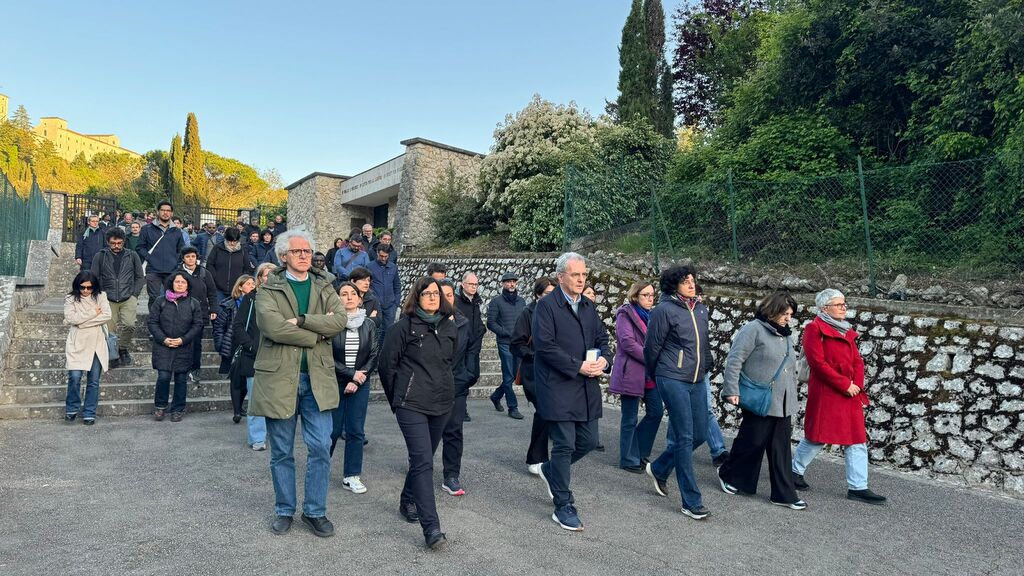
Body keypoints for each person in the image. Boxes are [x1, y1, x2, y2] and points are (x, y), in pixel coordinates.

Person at [249, 228, 346, 538]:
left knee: (320, 447)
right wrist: (318, 333)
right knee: (281, 451)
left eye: (307, 251)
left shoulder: (325, 284)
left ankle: (315, 512)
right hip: (279, 379)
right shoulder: (269, 288)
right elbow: (273, 327)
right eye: (297, 252)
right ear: (283, 256)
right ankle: (284, 509)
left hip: (317, 378)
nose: (305, 256)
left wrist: (303, 321)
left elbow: (341, 319)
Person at [533, 253, 610, 532]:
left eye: (584, 275)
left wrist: (605, 360)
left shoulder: (588, 306)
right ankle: (563, 504)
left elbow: (602, 338)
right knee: (564, 444)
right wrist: (577, 366)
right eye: (575, 275)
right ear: (560, 277)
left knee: (589, 441)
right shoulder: (547, 307)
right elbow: (545, 346)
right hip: (558, 385)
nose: (581, 280)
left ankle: (551, 470)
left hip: (586, 386)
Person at [379, 277, 457, 550]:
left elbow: (450, 363)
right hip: (411, 404)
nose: (433, 297)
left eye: (436, 293)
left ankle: (407, 499)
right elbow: (386, 366)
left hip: (442, 404)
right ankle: (432, 528)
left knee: (423, 458)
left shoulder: (450, 326)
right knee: (424, 461)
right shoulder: (403, 328)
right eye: (427, 293)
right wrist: (398, 400)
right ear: (417, 297)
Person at [792, 289, 886, 505]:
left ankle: (858, 486)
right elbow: (818, 364)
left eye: (844, 303)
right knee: (817, 437)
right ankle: (794, 471)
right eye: (839, 304)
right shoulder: (814, 329)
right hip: (828, 391)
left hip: (850, 392)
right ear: (825, 308)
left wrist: (856, 386)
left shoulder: (846, 330)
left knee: (857, 440)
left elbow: (857, 361)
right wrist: (845, 384)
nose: (844, 307)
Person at [716, 291, 806, 510]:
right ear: (772, 311)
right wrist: (731, 389)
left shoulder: (785, 334)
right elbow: (735, 360)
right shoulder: (753, 329)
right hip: (760, 398)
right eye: (785, 314)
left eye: (790, 314)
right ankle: (729, 475)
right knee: (752, 441)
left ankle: (784, 495)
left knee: (781, 449)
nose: (788, 318)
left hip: (783, 401)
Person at [643, 265, 713, 520]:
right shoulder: (664, 310)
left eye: (693, 280)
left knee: (700, 434)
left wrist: (707, 365)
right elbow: (651, 347)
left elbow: (703, 343)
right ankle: (691, 501)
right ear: (674, 285)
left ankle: (660, 468)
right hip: (671, 377)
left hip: (697, 379)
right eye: (686, 281)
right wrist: (657, 375)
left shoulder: (701, 309)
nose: (691, 284)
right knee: (684, 437)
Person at [329, 281, 379, 495]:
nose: (349, 297)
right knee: (330, 431)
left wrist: (358, 379)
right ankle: (321, 469)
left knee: (356, 430)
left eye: (353, 294)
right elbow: (326, 356)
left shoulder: (369, 324)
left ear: (360, 298)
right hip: (335, 381)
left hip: (361, 383)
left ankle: (351, 475)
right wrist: (350, 374)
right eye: (343, 293)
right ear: (338, 298)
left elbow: (374, 354)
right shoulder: (331, 323)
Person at [609, 281, 660, 473]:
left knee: (655, 413)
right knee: (629, 418)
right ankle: (628, 459)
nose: (650, 299)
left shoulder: (653, 316)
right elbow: (627, 343)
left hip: (651, 374)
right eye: (645, 295)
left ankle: (638, 451)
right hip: (631, 372)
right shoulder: (625, 314)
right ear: (635, 296)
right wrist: (651, 357)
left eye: (652, 295)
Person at [511, 276, 557, 475]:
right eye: (548, 293)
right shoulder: (527, 313)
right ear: (538, 294)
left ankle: (543, 457)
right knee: (544, 410)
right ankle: (536, 458)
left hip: (554, 370)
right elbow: (516, 344)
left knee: (548, 413)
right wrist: (533, 354)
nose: (552, 297)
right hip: (533, 371)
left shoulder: (559, 312)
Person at [148, 272, 204, 422]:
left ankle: (178, 409)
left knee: (181, 378)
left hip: (183, 346)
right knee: (163, 377)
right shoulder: (160, 301)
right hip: (163, 346)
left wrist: (183, 339)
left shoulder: (193, 303)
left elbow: (197, 324)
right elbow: (152, 322)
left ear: (188, 285)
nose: (180, 284)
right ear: (171, 283)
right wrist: (163, 339)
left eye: (183, 282)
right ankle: (160, 407)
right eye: (177, 282)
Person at [439, 280, 478, 497]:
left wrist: (468, 376)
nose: (446, 298)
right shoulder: (424, 322)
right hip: (430, 387)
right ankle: (419, 467)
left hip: (457, 385)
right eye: (441, 294)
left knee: (454, 431)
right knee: (427, 433)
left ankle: (451, 475)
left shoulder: (462, 322)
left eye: (450, 294)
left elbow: (471, 351)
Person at [232, 262, 275, 451]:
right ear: (259, 279)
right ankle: (257, 437)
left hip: (277, 355)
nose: (270, 277)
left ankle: (276, 435)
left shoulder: (284, 299)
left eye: (274, 274)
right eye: (266, 275)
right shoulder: (251, 299)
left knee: (275, 399)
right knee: (256, 399)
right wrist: (250, 345)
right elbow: (238, 325)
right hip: (254, 355)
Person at [90, 227, 144, 367]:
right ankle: (112, 354)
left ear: (124, 242)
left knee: (130, 324)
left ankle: (123, 348)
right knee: (110, 329)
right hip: (107, 297)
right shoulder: (100, 256)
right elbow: (93, 277)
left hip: (128, 296)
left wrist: (134, 294)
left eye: (119, 243)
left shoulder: (132, 256)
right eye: (113, 243)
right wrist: (99, 295)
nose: (116, 246)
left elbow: (139, 277)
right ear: (108, 242)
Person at [63, 271, 112, 425]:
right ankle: (72, 408)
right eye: (82, 287)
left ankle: (89, 412)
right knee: (75, 377)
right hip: (77, 343)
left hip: (97, 343)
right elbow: (71, 318)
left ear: (94, 287)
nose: (85, 291)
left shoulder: (101, 296)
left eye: (89, 288)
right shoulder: (70, 298)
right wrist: (93, 313)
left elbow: (107, 315)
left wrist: (82, 322)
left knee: (93, 381)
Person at [215, 274, 256, 419]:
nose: (252, 286)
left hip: (248, 343)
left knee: (246, 379)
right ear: (240, 287)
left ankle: (240, 406)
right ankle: (237, 410)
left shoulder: (256, 302)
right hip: (232, 344)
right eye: (249, 284)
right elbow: (219, 327)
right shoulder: (229, 305)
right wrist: (221, 345)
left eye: (253, 283)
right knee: (235, 379)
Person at [487, 271, 527, 419]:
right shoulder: (496, 302)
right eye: (508, 281)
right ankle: (513, 407)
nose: (511, 284)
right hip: (504, 343)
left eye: (513, 281)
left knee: (514, 375)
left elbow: (525, 321)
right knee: (509, 375)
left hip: (519, 344)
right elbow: (491, 323)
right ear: (503, 284)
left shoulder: (522, 302)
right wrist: (505, 332)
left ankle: (496, 396)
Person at [137, 201, 187, 303]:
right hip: (153, 270)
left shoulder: (176, 231)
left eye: (168, 211)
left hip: (171, 270)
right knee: (154, 298)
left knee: (172, 298)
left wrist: (175, 262)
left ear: (172, 213)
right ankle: (154, 319)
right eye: (163, 210)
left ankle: (168, 318)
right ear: (158, 212)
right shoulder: (147, 229)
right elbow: (140, 247)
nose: (165, 213)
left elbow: (181, 249)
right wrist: (149, 258)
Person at [454, 271, 484, 422]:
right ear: (462, 284)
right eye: (471, 284)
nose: (474, 287)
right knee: (462, 376)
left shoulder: (476, 302)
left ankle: (456, 399)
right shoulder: (456, 302)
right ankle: (461, 408)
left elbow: (478, 323)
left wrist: (480, 333)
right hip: (460, 347)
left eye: (476, 284)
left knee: (473, 375)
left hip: (473, 347)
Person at [581, 284, 605, 452]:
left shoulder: (594, 315)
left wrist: (604, 359)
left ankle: (592, 438)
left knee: (592, 403)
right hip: (573, 368)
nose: (592, 296)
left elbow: (602, 338)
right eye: (588, 293)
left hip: (591, 367)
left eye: (593, 293)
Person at [206, 227, 255, 310]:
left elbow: (247, 268)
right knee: (219, 312)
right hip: (219, 288)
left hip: (237, 288)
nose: (232, 243)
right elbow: (210, 264)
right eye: (230, 241)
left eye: (234, 241)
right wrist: (215, 278)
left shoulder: (243, 251)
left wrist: (241, 282)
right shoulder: (217, 248)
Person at [367, 243, 400, 343]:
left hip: (390, 306)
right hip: (376, 305)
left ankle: (384, 354)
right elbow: (366, 286)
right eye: (381, 256)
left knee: (388, 332)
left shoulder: (393, 267)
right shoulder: (369, 266)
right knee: (375, 331)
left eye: (386, 256)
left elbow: (397, 286)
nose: (383, 258)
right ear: (377, 253)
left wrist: (396, 303)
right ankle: (375, 355)